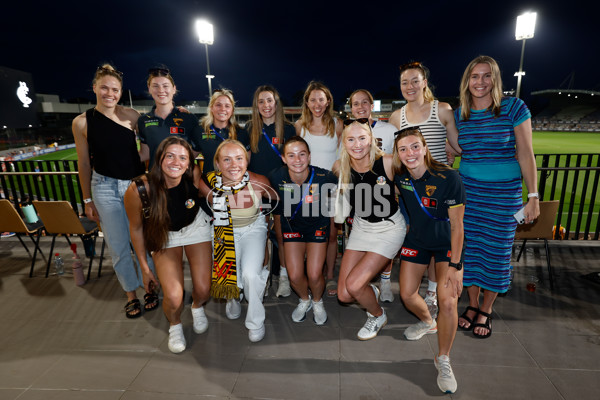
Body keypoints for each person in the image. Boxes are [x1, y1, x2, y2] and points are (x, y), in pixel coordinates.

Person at [455, 55, 539, 338]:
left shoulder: (514, 108)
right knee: (472, 251)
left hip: (504, 197)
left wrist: (534, 196)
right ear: (467, 81)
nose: (480, 82)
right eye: (474, 76)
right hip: (469, 195)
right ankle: (472, 304)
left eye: (486, 75)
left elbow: (526, 154)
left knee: (497, 253)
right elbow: (453, 148)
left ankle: (486, 309)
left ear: (495, 79)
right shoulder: (460, 114)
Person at [72, 64, 157, 319]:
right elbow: (84, 163)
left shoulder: (131, 116)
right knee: (118, 245)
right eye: (105, 88)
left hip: (134, 186)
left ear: (121, 92)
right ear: (95, 88)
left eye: (115, 89)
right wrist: (87, 198)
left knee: (142, 241)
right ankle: (131, 295)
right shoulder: (82, 122)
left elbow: (150, 144)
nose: (110, 93)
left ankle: (150, 286)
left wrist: (178, 112)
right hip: (104, 187)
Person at [393, 127, 465, 394]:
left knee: (448, 302)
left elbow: (458, 225)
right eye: (403, 149)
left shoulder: (449, 177)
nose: (409, 153)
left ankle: (443, 359)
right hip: (418, 241)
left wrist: (456, 266)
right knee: (407, 293)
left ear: (424, 148)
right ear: (397, 155)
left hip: (447, 245)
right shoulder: (400, 176)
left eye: (414, 147)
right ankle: (427, 321)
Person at [124, 137, 212, 353]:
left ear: (189, 162)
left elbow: (210, 196)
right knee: (173, 297)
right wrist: (144, 268)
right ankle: (175, 324)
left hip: (195, 228)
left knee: (204, 289)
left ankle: (197, 306)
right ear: (159, 157)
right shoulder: (139, 189)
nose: (176, 162)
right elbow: (135, 229)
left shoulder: (193, 175)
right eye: (170, 156)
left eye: (183, 157)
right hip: (164, 235)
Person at [389, 61, 461, 318]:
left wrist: (454, 153)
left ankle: (432, 292)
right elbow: (393, 154)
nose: (410, 86)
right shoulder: (397, 116)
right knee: (418, 237)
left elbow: (457, 144)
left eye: (415, 80)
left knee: (438, 241)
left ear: (424, 83)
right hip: (412, 191)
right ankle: (424, 292)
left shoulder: (441, 109)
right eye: (404, 82)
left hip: (440, 189)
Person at [332, 119, 406, 341]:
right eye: (351, 139)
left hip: (388, 229)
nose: (357, 145)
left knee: (354, 285)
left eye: (362, 138)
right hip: (361, 227)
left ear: (372, 139)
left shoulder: (388, 163)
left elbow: (417, 180)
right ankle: (369, 292)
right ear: (344, 143)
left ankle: (378, 314)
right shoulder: (340, 167)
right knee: (344, 295)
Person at [199, 139, 278, 342]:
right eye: (227, 159)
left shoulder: (259, 182)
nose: (234, 165)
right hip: (224, 228)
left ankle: (255, 321)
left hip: (253, 229)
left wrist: (266, 243)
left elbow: (272, 208)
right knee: (230, 275)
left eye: (239, 158)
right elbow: (194, 180)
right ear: (217, 164)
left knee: (251, 275)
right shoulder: (207, 182)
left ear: (246, 161)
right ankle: (232, 296)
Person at [269, 136, 337, 324]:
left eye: (302, 154)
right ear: (283, 158)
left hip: (317, 228)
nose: (297, 160)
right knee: (295, 275)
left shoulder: (325, 177)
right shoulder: (276, 176)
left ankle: (317, 301)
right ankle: (304, 299)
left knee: (315, 274)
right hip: (292, 228)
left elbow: (348, 183)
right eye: (291, 155)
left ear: (309, 156)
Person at [246, 85, 297, 298]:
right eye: (261, 101)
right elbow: (246, 161)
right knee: (261, 236)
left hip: (284, 189)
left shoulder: (289, 129)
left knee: (282, 236)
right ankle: (264, 278)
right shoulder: (248, 128)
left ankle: (283, 277)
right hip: (259, 191)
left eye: (270, 100)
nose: (266, 105)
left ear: (276, 103)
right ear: (256, 105)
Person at [349, 89, 398, 302]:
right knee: (363, 240)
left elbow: (399, 159)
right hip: (360, 196)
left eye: (364, 103)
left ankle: (385, 282)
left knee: (385, 241)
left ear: (372, 105)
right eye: (355, 104)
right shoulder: (348, 130)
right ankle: (365, 282)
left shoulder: (389, 129)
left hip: (384, 192)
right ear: (350, 108)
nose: (360, 107)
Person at [295, 81, 343, 297]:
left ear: (328, 102)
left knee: (331, 235)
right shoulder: (299, 126)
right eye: (313, 99)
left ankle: (330, 275)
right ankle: (308, 274)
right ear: (307, 102)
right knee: (309, 234)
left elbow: (343, 158)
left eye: (321, 99)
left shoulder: (337, 124)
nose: (317, 104)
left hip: (332, 189)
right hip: (307, 190)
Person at [137, 67, 201, 168]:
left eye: (165, 86)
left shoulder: (189, 118)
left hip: (182, 180)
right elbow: (145, 154)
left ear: (174, 89)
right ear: (149, 89)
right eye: (155, 86)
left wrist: (178, 166)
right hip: (156, 180)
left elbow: (197, 149)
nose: (161, 90)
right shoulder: (143, 120)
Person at [195, 89, 249, 173]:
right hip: (209, 183)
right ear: (211, 108)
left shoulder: (242, 133)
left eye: (227, 106)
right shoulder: (200, 131)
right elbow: (190, 159)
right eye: (218, 105)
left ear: (232, 110)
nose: (222, 109)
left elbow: (247, 162)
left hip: (234, 183)